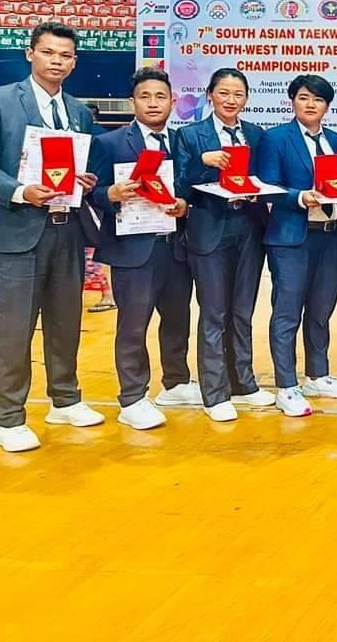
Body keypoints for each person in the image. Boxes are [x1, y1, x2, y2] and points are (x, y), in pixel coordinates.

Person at [0, 21, 103, 452]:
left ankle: (65, 399)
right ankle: (8, 418)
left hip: (67, 231)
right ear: (30, 54)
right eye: (48, 52)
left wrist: (84, 182)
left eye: (65, 55)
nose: (56, 61)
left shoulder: (78, 112)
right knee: (12, 330)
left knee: (65, 323)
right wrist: (21, 191)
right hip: (16, 234)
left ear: (74, 62)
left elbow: (73, 167)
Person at [86, 67, 197, 430]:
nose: (153, 103)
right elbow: (92, 192)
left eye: (160, 96)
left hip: (176, 247)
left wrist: (184, 204)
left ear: (172, 102)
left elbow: (190, 186)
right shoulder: (110, 143)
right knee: (133, 326)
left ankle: (176, 383)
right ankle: (132, 397)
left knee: (178, 320)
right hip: (133, 250)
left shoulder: (182, 141)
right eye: (145, 96)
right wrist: (111, 193)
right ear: (132, 102)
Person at [173, 68, 275, 422]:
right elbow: (179, 184)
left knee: (242, 310)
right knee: (214, 312)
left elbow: (265, 178)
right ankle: (214, 393)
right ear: (210, 95)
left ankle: (243, 382)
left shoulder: (256, 135)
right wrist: (203, 162)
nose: (231, 100)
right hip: (209, 229)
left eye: (238, 94)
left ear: (246, 99)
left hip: (249, 227)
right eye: (224, 93)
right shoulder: (189, 135)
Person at [255, 74, 337, 417]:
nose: (311, 104)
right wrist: (300, 197)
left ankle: (317, 374)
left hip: (333, 234)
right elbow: (267, 186)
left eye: (318, 99)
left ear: (328, 106)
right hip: (292, 238)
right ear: (292, 101)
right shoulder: (276, 138)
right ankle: (286, 385)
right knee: (287, 312)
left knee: (321, 310)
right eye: (303, 97)